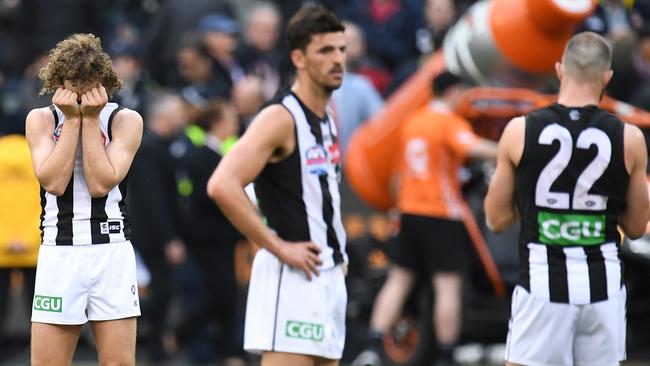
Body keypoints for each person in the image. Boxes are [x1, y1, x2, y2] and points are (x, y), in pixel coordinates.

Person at [484, 32, 650, 366]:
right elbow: (635, 227)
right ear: (607, 77)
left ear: (560, 70)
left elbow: (496, 219)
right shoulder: (629, 138)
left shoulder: (520, 131)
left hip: (543, 287)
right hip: (602, 288)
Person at [207, 4, 348, 366]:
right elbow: (222, 185)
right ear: (299, 58)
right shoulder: (280, 117)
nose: (337, 60)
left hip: (327, 274)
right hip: (293, 275)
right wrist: (276, 246)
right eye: (325, 51)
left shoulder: (328, 115)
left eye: (341, 49)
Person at [353, 71, 498, 366]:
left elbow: (397, 178)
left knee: (399, 279)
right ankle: (446, 352)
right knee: (448, 286)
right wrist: (510, 149)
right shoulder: (447, 123)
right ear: (454, 91)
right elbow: (473, 148)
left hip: (408, 211)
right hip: (441, 213)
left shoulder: (412, 123)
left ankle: (373, 345)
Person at [25, 33, 143, 365]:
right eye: (72, 85)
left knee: (120, 363)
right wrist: (74, 120)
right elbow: (54, 182)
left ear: (104, 82)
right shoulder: (41, 119)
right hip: (59, 250)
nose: (80, 94)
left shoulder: (126, 120)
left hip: (111, 250)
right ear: (57, 81)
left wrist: (88, 120)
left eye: (89, 85)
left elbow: (100, 184)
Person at [128, 91, 188, 362]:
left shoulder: (164, 145)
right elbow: (154, 199)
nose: (183, 119)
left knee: (164, 291)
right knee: (160, 291)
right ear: (164, 116)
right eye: (178, 114)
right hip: (150, 235)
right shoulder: (148, 148)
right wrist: (169, 239)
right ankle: (149, 344)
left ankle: (155, 344)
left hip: (158, 234)